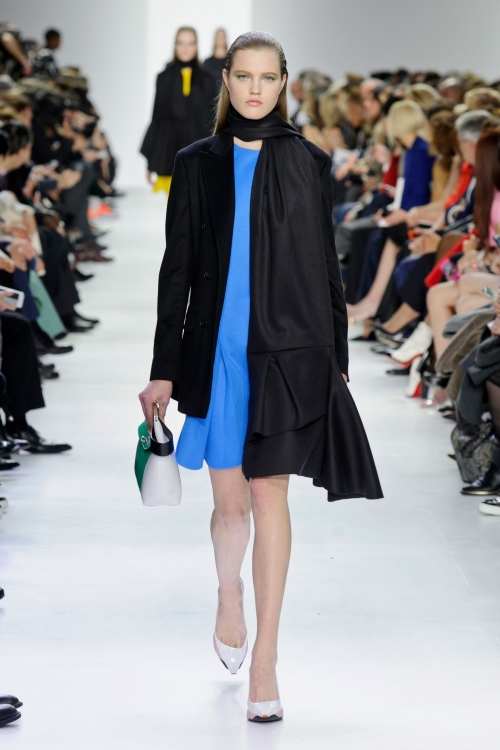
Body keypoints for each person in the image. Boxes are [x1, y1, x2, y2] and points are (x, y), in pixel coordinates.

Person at [139, 30, 382, 724]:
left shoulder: (309, 161)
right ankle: (229, 597)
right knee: (231, 507)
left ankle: (267, 660)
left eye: (266, 77)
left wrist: (336, 361)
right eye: (242, 76)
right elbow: (177, 271)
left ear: (282, 83)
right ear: (227, 80)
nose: (254, 89)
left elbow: (325, 267)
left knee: (270, 495)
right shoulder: (197, 163)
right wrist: (162, 369)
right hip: (218, 354)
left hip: (286, 354)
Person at [140, 26, 218, 195]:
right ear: (174, 45)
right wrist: (152, 163)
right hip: (170, 154)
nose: (185, 48)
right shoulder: (163, 78)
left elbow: (213, 120)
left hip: (200, 153)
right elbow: (157, 118)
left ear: (197, 46)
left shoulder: (208, 80)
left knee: (198, 204)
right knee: (175, 205)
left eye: (190, 43)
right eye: (181, 43)